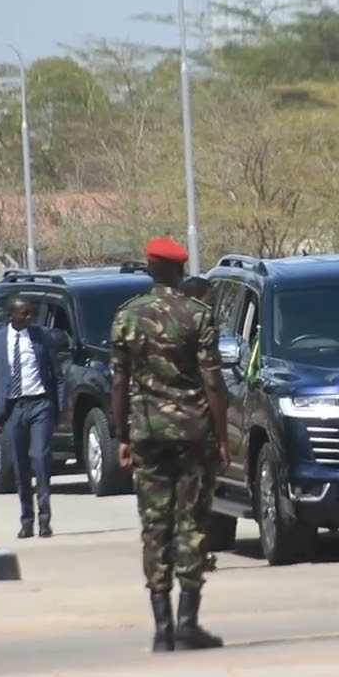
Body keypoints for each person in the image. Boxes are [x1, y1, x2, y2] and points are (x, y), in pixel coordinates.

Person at [111, 238, 229, 653]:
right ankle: (187, 624)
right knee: (192, 524)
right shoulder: (197, 314)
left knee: (155, 526)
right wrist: (221, 436)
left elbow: (119, 382)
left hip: (147, 434)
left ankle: (162, 629)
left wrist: (123, 437)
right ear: (180, 271)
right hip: (194, 435)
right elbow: (213, 380)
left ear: (150, 270)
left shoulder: (127, 316)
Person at [0, 296, 63, 539]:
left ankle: (45, 519)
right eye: (24, 313)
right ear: (12, 315)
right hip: (12, 409)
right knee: (20, 465)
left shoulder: (42, 337)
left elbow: (58, 376)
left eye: (31, 313)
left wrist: (59, 407)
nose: (30, 318)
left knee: (40, 457)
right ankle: (27, 520)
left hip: (40, 405)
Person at [179, 275, 220, 574]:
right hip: (195, 421)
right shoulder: (202, 325)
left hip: (160, 422)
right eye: (210, 300)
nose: (212, 306)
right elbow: (212, 381)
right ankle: (195, 554)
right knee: (197, 493)